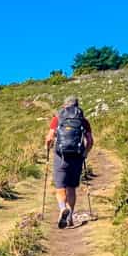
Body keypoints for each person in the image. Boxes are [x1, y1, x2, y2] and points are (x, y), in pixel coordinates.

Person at [44, 95, 93, 228]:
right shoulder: (83, 121)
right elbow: (90, 141)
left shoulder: (58, 118)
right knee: (71, 188)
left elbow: (49, 138)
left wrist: (47, 149)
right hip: (76, 157)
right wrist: (85, 153)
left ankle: (62, 209)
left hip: (61, 156)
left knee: (60, 187)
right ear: (77, 106)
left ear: (64, 105)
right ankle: (70, 216)